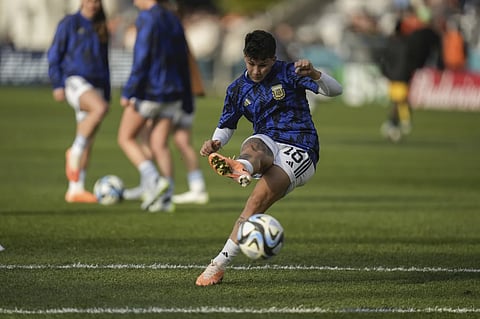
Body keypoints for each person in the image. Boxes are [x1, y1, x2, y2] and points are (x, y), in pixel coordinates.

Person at [195, 30, 342, 286]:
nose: (256, 71)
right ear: (244, 57)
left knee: (254, 204)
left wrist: (315, 74)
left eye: (263, 65)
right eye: (251, 64)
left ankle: (218, 264)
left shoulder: (290, 73)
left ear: (273, 59)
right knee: (254, 144)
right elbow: (227, 124)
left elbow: (336, 91)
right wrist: (216, 141)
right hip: (266, 140)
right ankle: (243, 167)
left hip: (300, 147)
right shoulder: (237, 88)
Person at [117, 0, 192, 212]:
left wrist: (129, 90)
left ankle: (154, 180)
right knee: (159, 143)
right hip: (174, 91)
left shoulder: (147, 18)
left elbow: (142, 58)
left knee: (125, 137)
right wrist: (186, 96)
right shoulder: (172, 18)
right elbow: (183, 58)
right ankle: (166, 199)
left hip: (151, 90)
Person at [47, 0, 110, 203]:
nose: (93, 5)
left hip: (96, 83)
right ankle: (73, 151)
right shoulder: (70, 23)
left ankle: (75, 189)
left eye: (97, 2)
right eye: (90, 1)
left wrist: (106, 91)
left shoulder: (101, 25)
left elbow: (104, 61)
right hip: (75, 80)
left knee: (88, 138)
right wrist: (57, 84)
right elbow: (55, 54)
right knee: (99, 109)